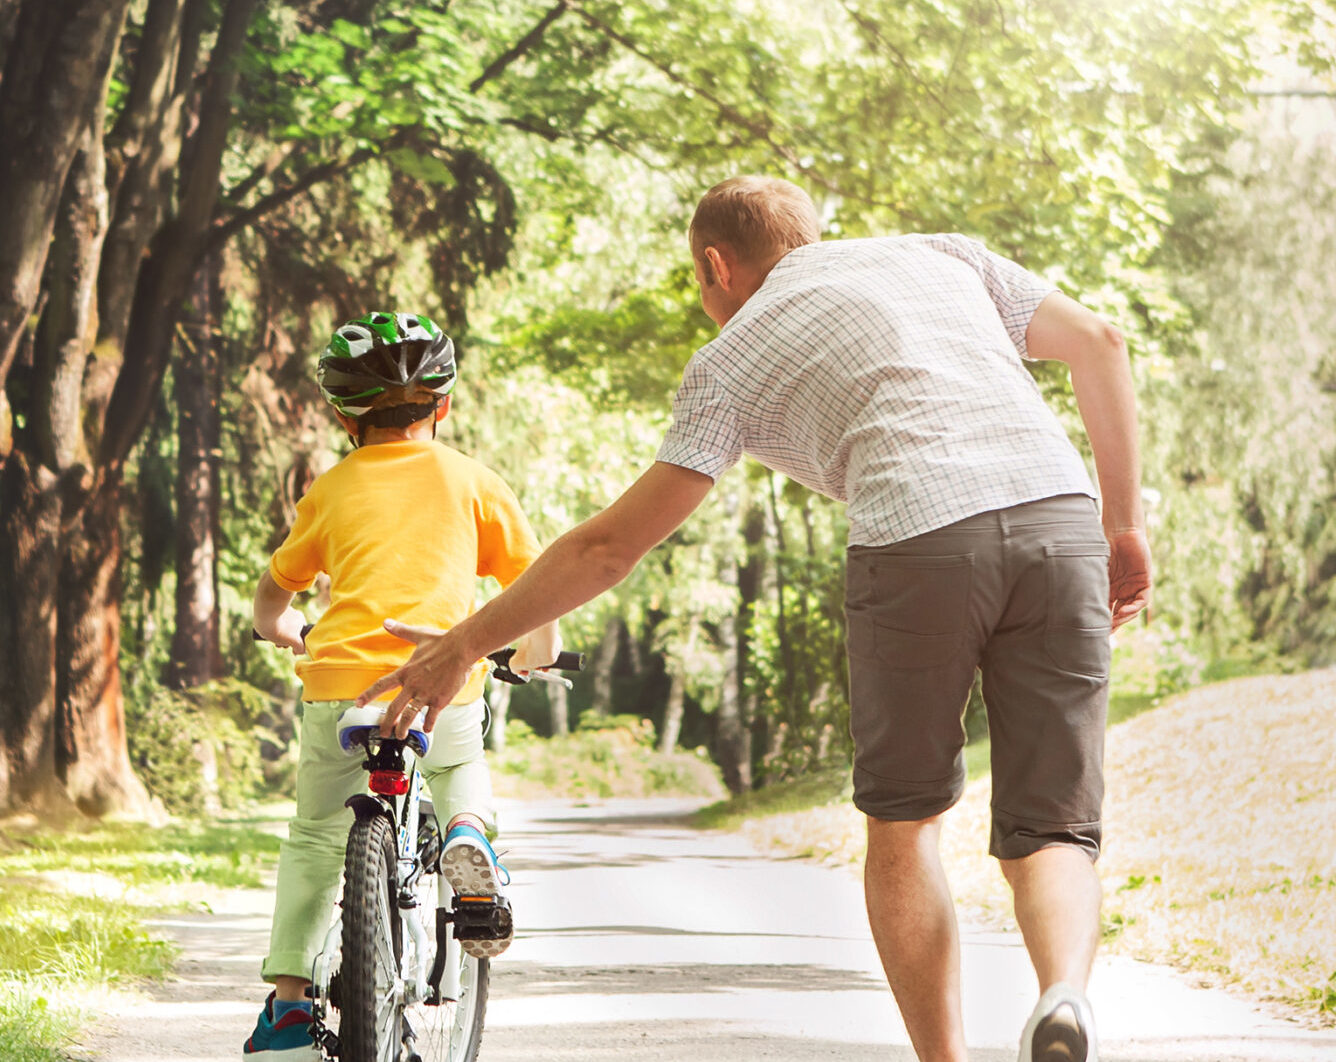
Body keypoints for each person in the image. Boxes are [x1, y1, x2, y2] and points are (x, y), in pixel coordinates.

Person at [356, 177, 1154, 1062]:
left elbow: (610, 548)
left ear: (715, 267)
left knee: (905, 823)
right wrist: (1124, 526)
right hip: (1059, 518)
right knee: (1054, 828)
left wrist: (463, 644)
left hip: (916, 537)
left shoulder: (732, 356)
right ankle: (1064, 996)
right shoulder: (943, 253)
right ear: (809, 237)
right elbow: (1100, 343)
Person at [241, 311, 561, 1061]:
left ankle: (289, 1009)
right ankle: (468, 841)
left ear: (343, 413)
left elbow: (272, 594)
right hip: (442, 684)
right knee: (455, 764)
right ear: (443, 405)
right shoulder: (474, 482)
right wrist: (533, 653)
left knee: (317, 836)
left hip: (342, 692)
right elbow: (537, 588)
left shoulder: (329, 490)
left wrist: (283, 632)